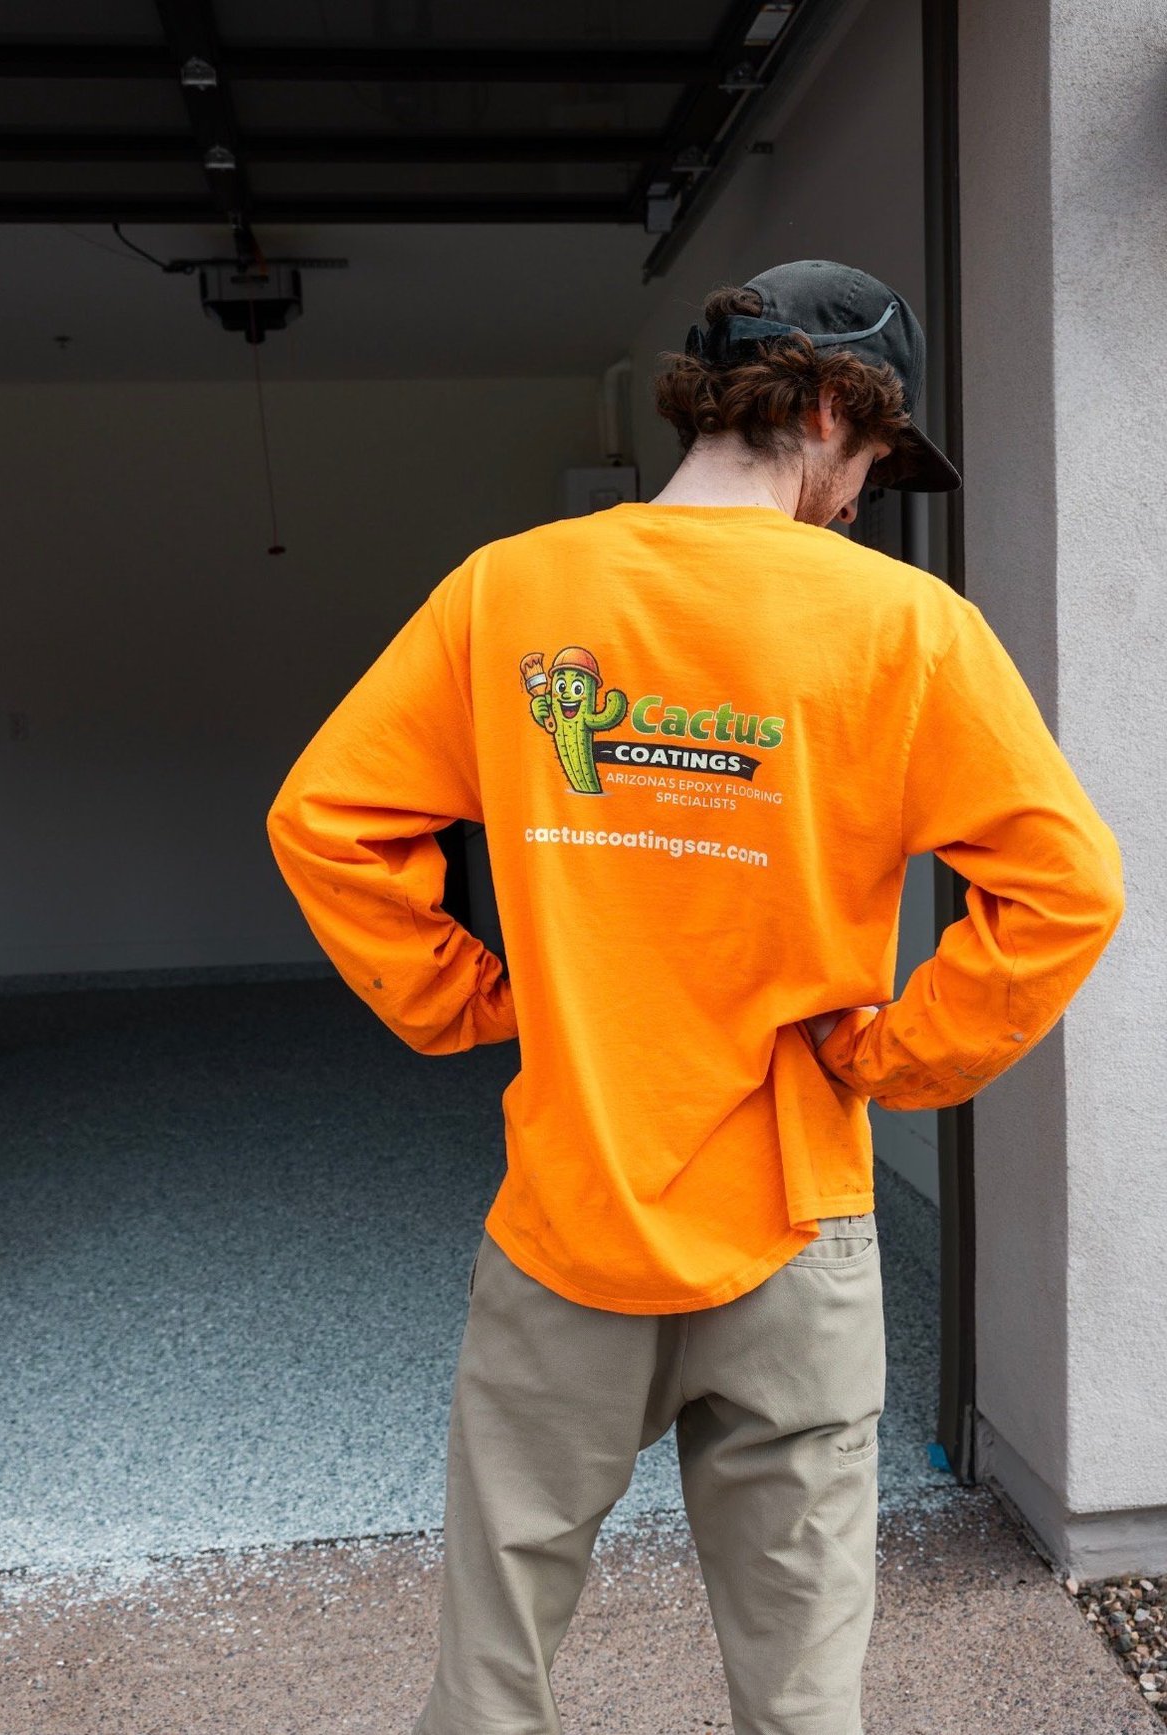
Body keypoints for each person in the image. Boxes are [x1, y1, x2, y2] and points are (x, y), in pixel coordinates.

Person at [265, 259, 1124, 1735]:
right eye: (869, 461)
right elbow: (1067, 892)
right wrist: (899, 1058)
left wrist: (476, 999)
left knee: (489, 1681)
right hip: (796, 1229)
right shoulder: (905, 628)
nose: (863, 499)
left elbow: (326, 824)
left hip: (567, 1220)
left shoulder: (509, 592)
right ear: (828, 405)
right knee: (801, 1697)